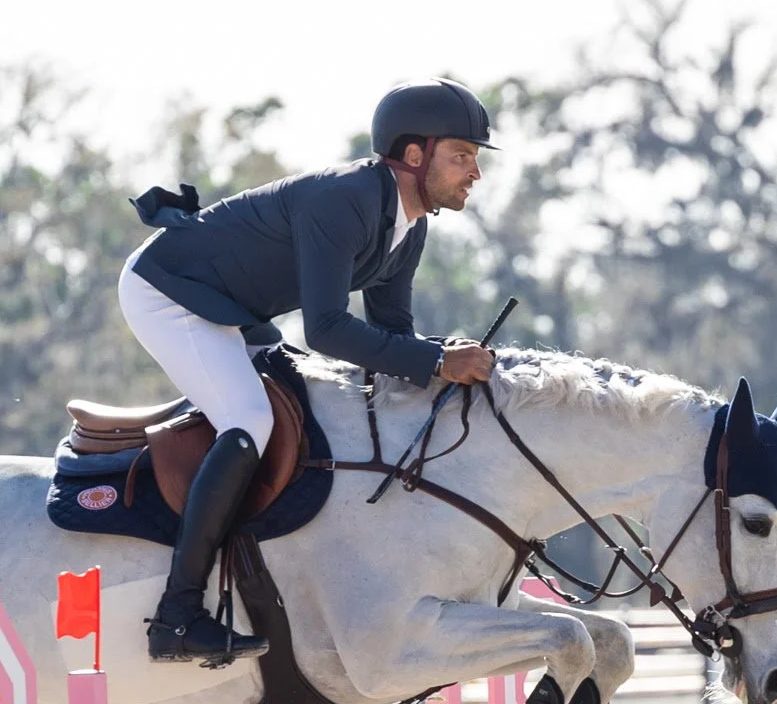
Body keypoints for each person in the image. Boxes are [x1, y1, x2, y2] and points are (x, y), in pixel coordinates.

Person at [120, 78, 501, 665]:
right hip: (169, 293)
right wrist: (436, 362)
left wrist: (441, 356)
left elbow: (391, 336)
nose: (474, 173)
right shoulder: (344, 197)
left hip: (233, 313)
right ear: (414, 155)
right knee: (249, 420)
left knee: (297, 408)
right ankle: (176, 617)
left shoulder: (410, 226)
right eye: (463, 156)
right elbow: (326, 330)